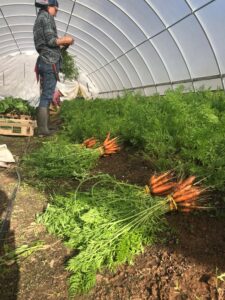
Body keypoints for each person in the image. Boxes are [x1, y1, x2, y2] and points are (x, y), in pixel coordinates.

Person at [33, 0, 74, 136]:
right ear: (49, 7)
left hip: (44, 60)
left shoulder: (40, 18)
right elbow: (51, 41)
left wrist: (64, 45)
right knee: (47, 95)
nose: (56, 13)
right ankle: (43, 130)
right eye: (55, 10)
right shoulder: (46, 18)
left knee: (46, 94)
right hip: (49, 61)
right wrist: (66, 39)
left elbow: (47, 43)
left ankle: (45, 128)